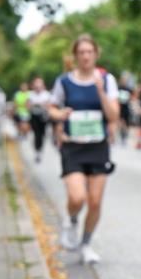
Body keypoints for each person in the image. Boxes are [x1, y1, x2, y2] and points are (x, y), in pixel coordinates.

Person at [48, 35, 119, 265]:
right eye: (82, 52)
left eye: (90, 52)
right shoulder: (64, 81)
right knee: (78, 197)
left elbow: (114, 115)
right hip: (73, 146)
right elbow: (52, 108)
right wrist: (60, 115)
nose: (86, 56)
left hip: (98, 146)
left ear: (96, 54)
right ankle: (71, 220)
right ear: (75, 56)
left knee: (96, 202)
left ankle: (86, 244)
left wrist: (100, 91)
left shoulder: (107, 80)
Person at [27, 76, 53, 163]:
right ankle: (37, 150)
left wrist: (43, 105)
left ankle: (39, 149)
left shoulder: (46, 94)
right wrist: (33, 105)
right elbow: (27, 105)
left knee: (42, 134)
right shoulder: (30, 94)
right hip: (34, 117)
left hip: (43, 117)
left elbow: (49, 106)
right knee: (36, 134)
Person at [118, 72, 134, 145]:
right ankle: (122, 136)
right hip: (120, 108)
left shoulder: (128, 89)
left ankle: (125, 136)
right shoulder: (118, 88)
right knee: (121, 123)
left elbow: (132, 97)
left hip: (126, 108)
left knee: (127, 123)